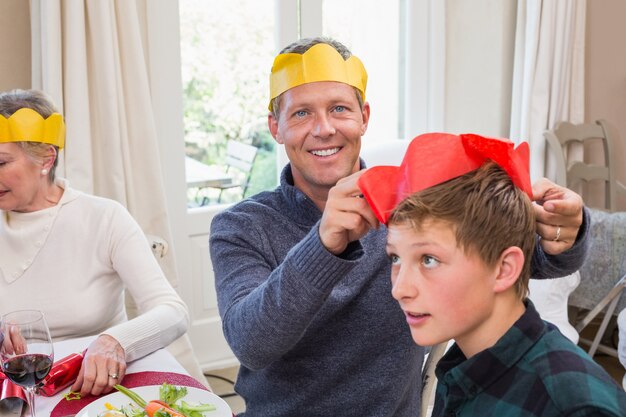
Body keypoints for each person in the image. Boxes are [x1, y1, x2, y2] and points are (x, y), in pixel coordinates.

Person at [209, 37, 590, 416]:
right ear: (276, 127)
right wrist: (322, 245)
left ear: (364, 118)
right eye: (301, 114)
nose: (323, 129)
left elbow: (523, 260)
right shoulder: (242, 226)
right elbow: (251, 343)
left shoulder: (408, 200)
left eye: (339, 108)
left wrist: (565, 233)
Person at [363, 132, 626, 416]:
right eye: (395, 258)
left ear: (504, 269)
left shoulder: (574, 407)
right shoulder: (461, 370)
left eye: (428, 259)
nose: (399, 289)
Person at [0, 89, 189, 396]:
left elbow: (173, 312)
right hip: (18, 389)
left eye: (1, 163)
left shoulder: (104, 218)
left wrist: (116, 342)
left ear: (47, 158)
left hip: (95, 388)